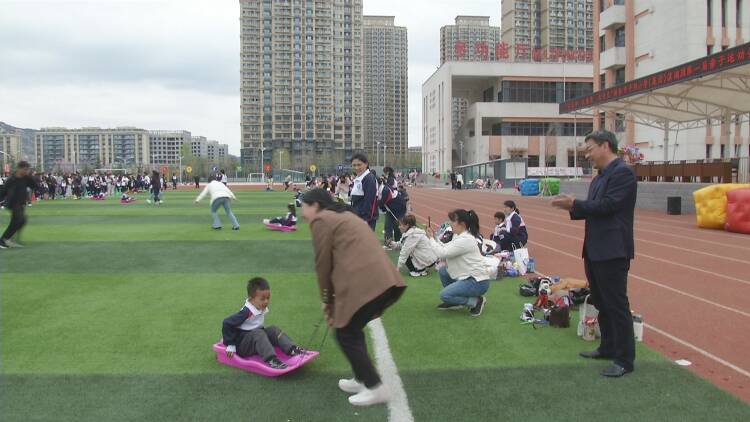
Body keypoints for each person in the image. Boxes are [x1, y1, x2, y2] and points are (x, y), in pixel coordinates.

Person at [301, 188, 406, 406]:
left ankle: (375, 387)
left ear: (316, 205)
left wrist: (327, 300)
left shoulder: (321, 220)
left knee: (345, 333)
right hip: (382, 279)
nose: (302, 212)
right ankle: (361, 377)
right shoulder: (344, 214)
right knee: (351, 329)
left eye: (304, 205)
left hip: (368, 282)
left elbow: (323, 264)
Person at [551, 129, 637, 378]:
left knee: (617, 304)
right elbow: (594, 209)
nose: (587, 155)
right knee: (601, 301)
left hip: (613, 250)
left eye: (589, 149)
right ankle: (608, 347)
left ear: (605, 146)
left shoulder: (623, 174)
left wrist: (575, 204)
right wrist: (573, 206)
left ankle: (624, 360)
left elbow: (609, 206)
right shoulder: (600, 177)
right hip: (595, 248)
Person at [221, 277, 306, 370]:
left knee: (273, 329)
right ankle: (272, 359)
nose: (266, 301)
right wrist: (231, 344)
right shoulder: (246, 312)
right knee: (258, 333)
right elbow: (227, 323)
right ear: (251, 299)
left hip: (255, 339)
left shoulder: (259, 306)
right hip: (242, 346)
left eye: (268, 298)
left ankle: (292, 349)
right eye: (262, 299)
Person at [425, 209, 490, 317]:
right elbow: (445, 247)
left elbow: (442, 253)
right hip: (468, 277)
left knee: (444, 295)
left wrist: (431, 239)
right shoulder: (459, 236)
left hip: (477, 281)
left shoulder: (466, 239)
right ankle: (455, 301)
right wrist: (435, 238)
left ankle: (476, 301)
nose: (450, 223)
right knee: (443, 271)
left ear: (462, 224)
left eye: (453, 221)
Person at [0, 161, 36, 248]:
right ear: (19, 169)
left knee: (21, 220)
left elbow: (33, 185)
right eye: (25, 169)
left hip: (21, 203)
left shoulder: (26, 178)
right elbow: (3, 191)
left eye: (27, 170)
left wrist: (29, 176)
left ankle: (6, 239)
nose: (26, 171)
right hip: (13, 203)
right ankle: (4, 240)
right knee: (19, 219)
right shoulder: (11, 179)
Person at [349, 153, 378, 230]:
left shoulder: (369, 178)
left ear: (366, 164)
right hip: (357, 217)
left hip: (365, 220)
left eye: (359, 165)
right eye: (354, 165)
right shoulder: (359, 178)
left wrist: (366, 220)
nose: (356, 167)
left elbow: (369, 201)